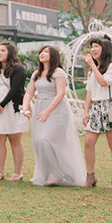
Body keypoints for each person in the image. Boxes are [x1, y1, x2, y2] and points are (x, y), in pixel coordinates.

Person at [21, 46, 86, 187]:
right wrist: (25, 108)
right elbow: (28, 93)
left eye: (46, 52)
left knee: (47, 139)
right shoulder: (36, 74)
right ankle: (50, 172)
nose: (42, 54)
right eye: (41, 52)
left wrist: (48, 111)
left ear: (53, 56)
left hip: (57, 110)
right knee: (38, 141)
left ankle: (60, 173)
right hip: (40, 108)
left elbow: (60, 93)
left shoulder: (58, 72)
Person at [81, 35, 112, 189]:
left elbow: (103, 82)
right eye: (92, 46)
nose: (93, 49)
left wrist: (93, 67)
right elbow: (89, 91)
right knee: (88, 142)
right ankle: (90, 175)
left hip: (111, 106)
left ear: (105, 49)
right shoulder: (92, 70)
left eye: (96, 46)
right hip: (95, 107)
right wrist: (86, 111)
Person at [0, 42, 27, 182]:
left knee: (15, 139)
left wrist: (2, 104)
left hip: (12, 107)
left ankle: (17, 172)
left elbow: (15, 89)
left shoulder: (19, 70)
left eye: (3, 50)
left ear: (10, 52)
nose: (0, 53)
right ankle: (0, 171)